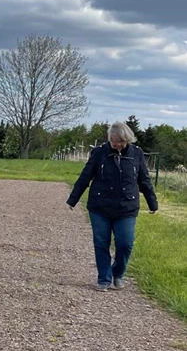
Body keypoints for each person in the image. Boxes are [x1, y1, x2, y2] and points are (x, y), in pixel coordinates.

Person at [67, 122, 158, 291]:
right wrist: (73, 199)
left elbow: (144, 180)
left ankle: (118, 273)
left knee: (125, 243)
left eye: (120, 141)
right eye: (112, 140)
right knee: (101, 242)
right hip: (100, 205)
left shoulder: (136, 154)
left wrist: (152, 202)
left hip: (127, 207)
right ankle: (104, 278)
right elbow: (86, 176)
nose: (116, 144)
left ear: (127, 139)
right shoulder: (99, 153)